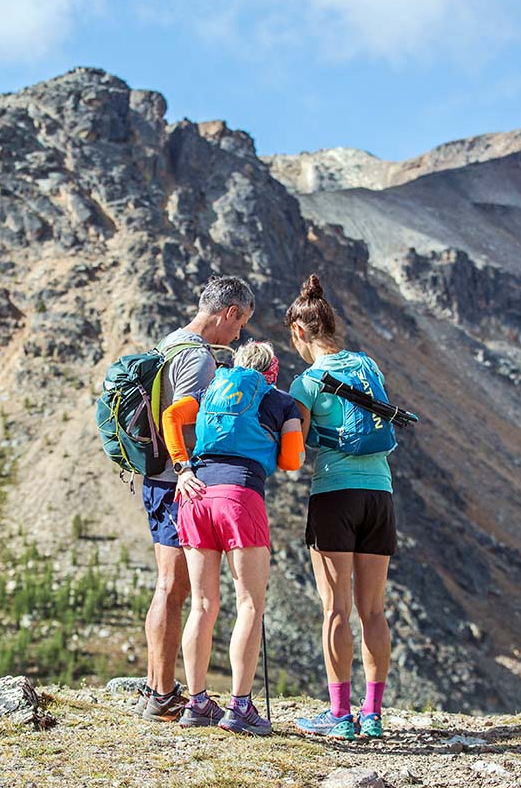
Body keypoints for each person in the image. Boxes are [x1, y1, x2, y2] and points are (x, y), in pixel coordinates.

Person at [162, 341, 304, 735]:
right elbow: (293, 461)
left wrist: (182, 467)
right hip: (240, 498)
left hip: (195, 494)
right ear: (271, 371)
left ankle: (197, 702)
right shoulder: (280, 401)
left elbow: (172, 415)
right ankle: (240, 707)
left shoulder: (211, 391)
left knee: (203, 605)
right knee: (249, 605)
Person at [135, 275, 255, 722]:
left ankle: (156, 689)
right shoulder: (199, 359)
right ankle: (163, 694)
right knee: (174, 587)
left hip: (156, 479)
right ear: (228, 312)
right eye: (240, 322)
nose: (239, 334)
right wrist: (186, 469)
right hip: (175, 483)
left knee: (168, 587)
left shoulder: (169, 343)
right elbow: (180, 419)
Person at [287, 274, 396, 741]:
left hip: (335, 495)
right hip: (381, 494)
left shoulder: (308, 381)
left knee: (335, 611)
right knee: (374, 610)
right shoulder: (369, 367)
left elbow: (293, 454)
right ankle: (371, 714)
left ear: (299, 333)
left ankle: (339, 716)